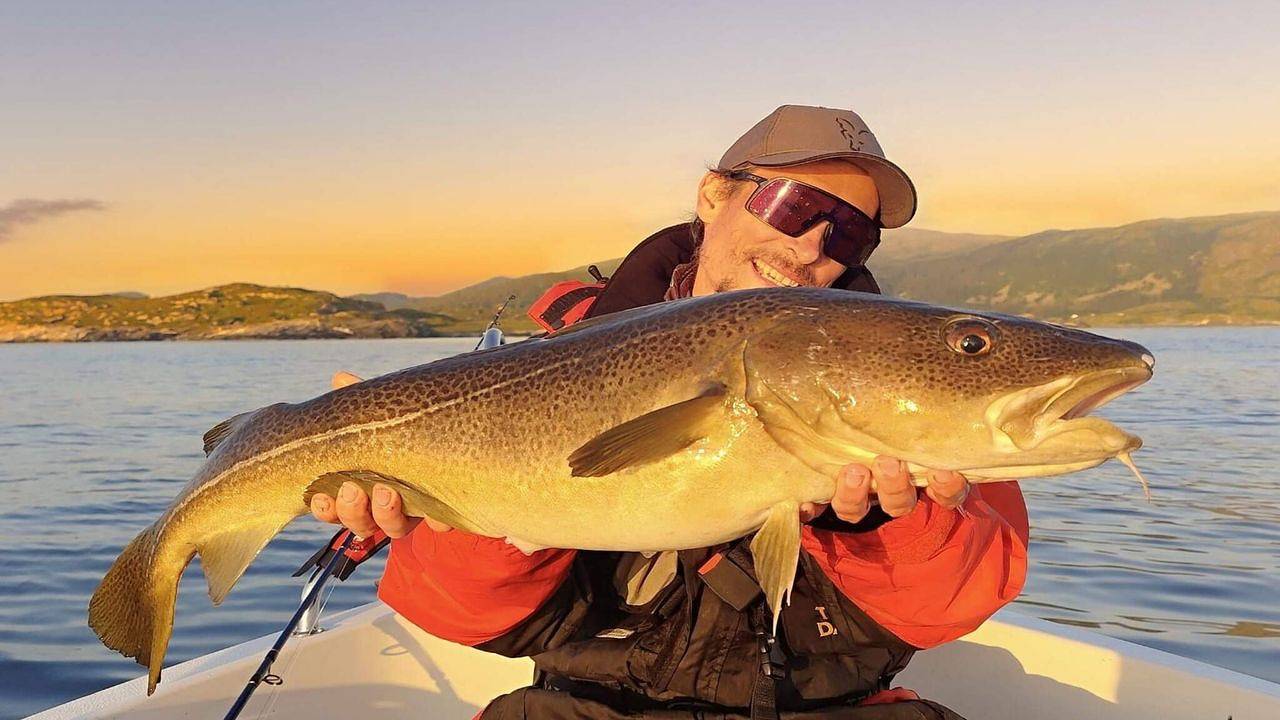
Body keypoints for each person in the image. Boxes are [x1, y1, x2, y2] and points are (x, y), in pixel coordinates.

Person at [311, 105, 1029, 719]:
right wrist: (462, 510)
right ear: (715, 193)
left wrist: (879, 521)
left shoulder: (911, 383)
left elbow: (951, 604)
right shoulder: (545, 365)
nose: (812, 245)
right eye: (793, 207)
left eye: (849, 235)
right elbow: (454, 611)